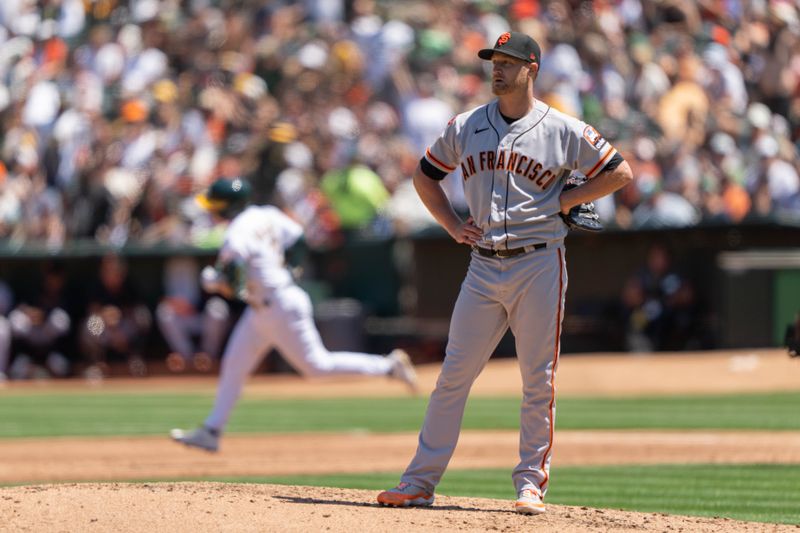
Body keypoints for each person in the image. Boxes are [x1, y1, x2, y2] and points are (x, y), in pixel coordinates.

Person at [376, 31, 632, 514]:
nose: (497, 69)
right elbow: (424, 176)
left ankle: (530, 483)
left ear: (531, 69)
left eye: (508, 62)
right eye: (494, 60)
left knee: (538, 378)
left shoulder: (562, 128)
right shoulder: (466, 125)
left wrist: (566, 199)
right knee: (453, 376)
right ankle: (419, 483)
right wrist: (452, 225)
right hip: (482, 265)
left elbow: (619, 172)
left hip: (540, 261)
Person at [170, 177, 418, 452]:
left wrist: (214, 281)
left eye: (215, 205)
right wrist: (292, 268)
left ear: (228, 207)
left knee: (317, 367)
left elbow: (235, 286)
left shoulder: (236, 233)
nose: (211, 210)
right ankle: (212, 431)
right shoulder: (265, 214)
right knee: (234, 365)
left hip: (277, 307)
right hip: (268, 306)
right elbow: (299, 238)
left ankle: (388, 366)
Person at [156, 256, 231, 373]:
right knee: (164, 312)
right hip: (182, 318)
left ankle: (208, 356)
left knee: (217, 308)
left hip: (202, 317)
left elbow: (213, 298)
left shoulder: (207, 269)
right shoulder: (169, 264)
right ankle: (187, 357)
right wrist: (178, 305)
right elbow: (161, 299)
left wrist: (194, 307)